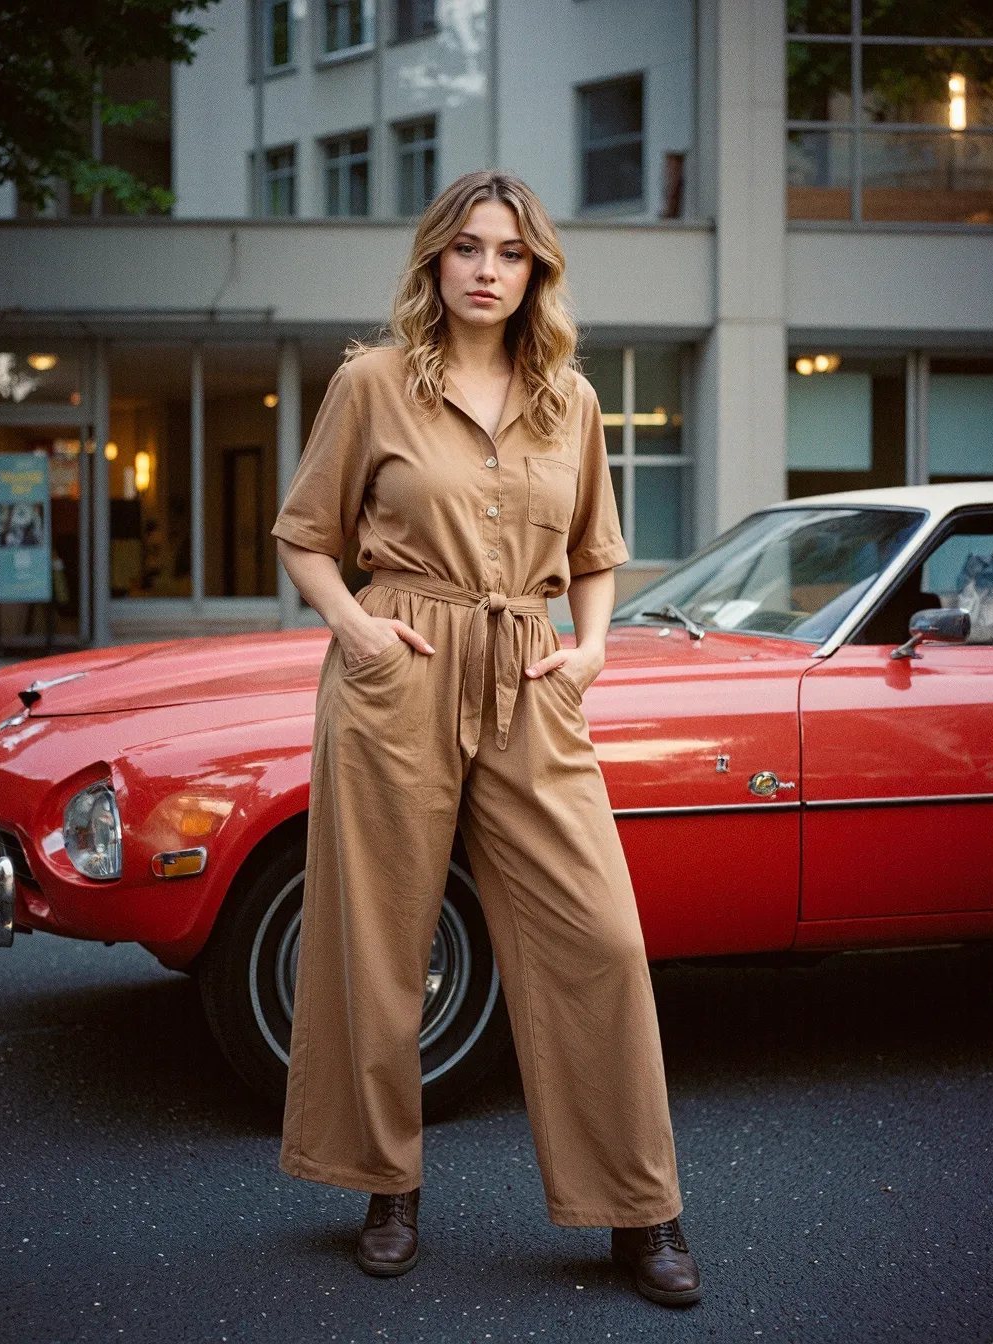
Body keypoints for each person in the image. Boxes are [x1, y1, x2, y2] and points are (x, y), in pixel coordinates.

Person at [270, 170, 701, 1308]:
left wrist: (595, 649)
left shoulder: (574, 401)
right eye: (466, 247)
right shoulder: (371, 383)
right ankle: (384, 1183)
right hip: (400, 660)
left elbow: (600, 553)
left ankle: (638, 1206)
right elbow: (307, 536)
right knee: (380, 934)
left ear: (536, 273)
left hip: (531, 664)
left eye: (510, 252)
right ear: (434, 261)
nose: (486, 268)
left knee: (598, 936)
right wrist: (359, 628)